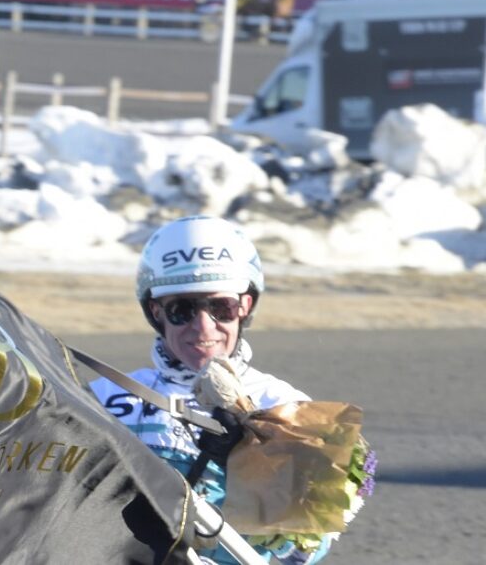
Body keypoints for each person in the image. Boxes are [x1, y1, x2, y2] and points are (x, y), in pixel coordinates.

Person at [89, 216, 333, 564]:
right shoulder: (103, 397)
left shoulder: (287, 406)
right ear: (156, 311)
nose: (203, 327)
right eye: (182, 310)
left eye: (221, 307)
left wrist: (250, 464)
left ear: (244, 307)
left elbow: (304, 552)